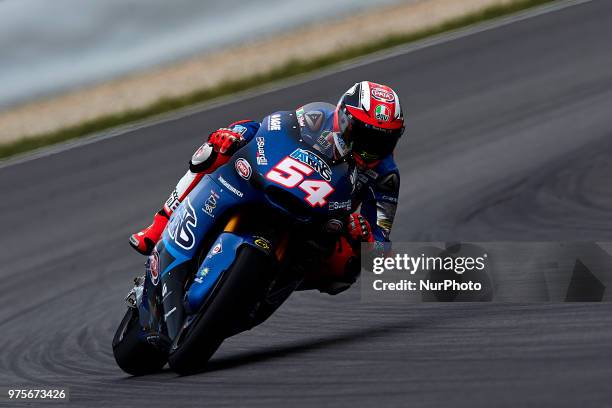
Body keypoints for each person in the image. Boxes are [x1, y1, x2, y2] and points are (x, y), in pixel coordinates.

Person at [129, 81, 404, 293]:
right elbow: (270, 127)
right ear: (344, 119)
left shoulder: (385, 176)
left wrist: (366, 234)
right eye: (364, 137)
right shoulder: (318, 117)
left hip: (323, 223)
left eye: (382, 142)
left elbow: (381, 252)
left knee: (348, 267)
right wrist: (238, 134)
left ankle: (272, 287)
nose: (371, 150)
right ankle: (158, 227)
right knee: (218, 146)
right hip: (274, 182)